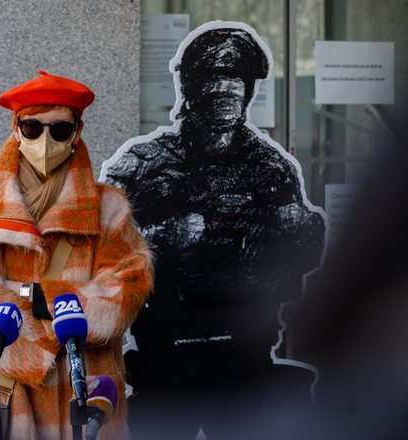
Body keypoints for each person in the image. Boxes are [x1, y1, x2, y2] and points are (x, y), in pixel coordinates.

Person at [101, 22, 326, 437]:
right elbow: (98, 247)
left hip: (245, 354)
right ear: (190, 89)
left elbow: (304, 257)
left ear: (247, 92)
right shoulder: (143, 163)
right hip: (164, 355)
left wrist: (305, 229)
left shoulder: (270, 167)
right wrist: (161, 234)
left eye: (236, 82)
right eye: (214, 82)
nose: (226, 93)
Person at [0, 71, 153, 439]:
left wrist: (51, 299)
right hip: (5, 393)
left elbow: (125, 287)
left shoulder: (109, 208)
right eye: (33, 128)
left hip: (83, 387)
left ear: (76, 134)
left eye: (59, 130)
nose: (46, 140)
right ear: (16, 129)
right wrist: (57, 308)